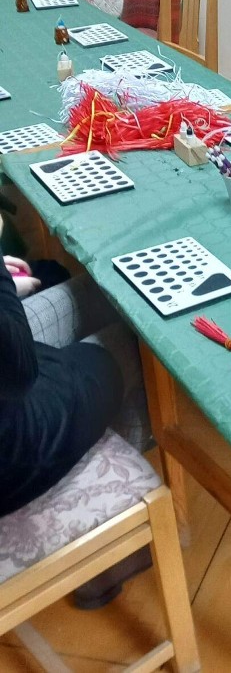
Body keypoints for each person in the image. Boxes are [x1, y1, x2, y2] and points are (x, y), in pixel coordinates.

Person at [1, 229, 153, 606]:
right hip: (15, 446)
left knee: (96, 291)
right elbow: (17, 371)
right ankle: (108, 555)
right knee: (139, 338)